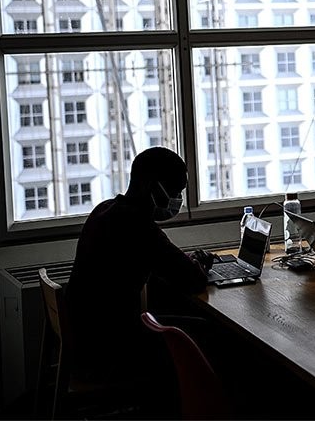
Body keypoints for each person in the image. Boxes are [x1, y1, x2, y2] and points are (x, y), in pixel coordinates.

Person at [65, 147, 212, 411]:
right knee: (210, 333)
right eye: (173, 191)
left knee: (176, 314)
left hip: (88, 343)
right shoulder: (139, 227)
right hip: (111, 353)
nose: (176, 200)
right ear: (151, 186)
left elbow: (161, 262)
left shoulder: (105, 210)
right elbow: (192, 280)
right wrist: (198, 263)